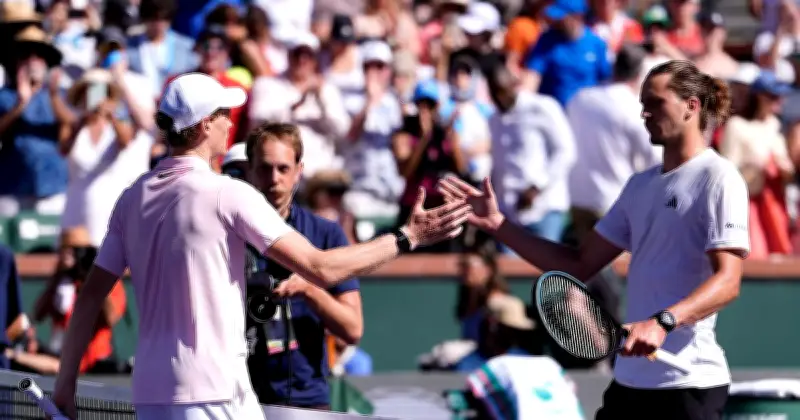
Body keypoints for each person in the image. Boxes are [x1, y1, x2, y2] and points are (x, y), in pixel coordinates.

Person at [52, 72, 469, 420]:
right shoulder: (227, 193)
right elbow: (321, 268)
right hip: (214, 394)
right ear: (202, 127)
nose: (230, 122)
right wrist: (407, 237)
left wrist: (65, 384)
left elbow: (89, 298)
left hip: (151, 396)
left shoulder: (131, 198)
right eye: (222, 114)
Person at [438, 60, 749, 419]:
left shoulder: (718, 177)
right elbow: (577, 264)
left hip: (688, 384)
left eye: (656, 102)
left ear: (691, 106)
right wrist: (499, 224)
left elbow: (728, 281)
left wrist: (663, 322)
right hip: (629, 384)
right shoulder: (639, 186)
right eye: (642, 102)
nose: (645, 112)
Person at [242, 122, 364, 410]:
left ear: (299, 171)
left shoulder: (326, 233)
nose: (274, 179)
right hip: (239, 398)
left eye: (283, 169)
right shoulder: (227, 233)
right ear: (250, 171)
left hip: (307, 398)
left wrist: (310, 290)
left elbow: (353, 328)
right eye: (264, 168)